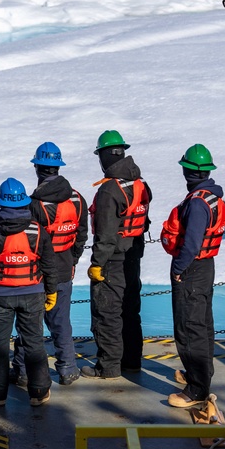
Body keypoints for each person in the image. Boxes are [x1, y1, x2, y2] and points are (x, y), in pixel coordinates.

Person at [0, 178, 58, 407]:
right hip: (33, 295)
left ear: (1, 204)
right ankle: (38, 392)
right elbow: (48, 265)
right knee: (34, 343)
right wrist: (51, 292)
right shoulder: (38, 232)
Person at [10, 142, 87, 387]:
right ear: (57, 168)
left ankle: (22, 371)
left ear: (38, 168)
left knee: (29, 323)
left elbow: (27, 240)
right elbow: (82, 234)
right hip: (64, 269)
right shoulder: (78, 199)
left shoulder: (34, 204)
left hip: (37, 274)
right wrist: (72, 260)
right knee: (61, 321)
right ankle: (67, 369)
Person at [160, 144, 225, 408]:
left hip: (192, 269)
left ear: (187, 171)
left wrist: (178, 269)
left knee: (189, 328)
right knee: (202, 324)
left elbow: (192, 243)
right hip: (204, 267)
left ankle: (197, 389)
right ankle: (201, 373)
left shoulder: (197, 203)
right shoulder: (211, 196)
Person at [84, 130, 151, 380]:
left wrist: (96, 264)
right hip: (133, 257)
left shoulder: (109, 191)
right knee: (130, 310)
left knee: (107, 313)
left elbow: (106, 235)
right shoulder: (140, 183)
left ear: (104, 156)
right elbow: (143, 219)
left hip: (112, 261)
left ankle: (108, 366)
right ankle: (132, 361)